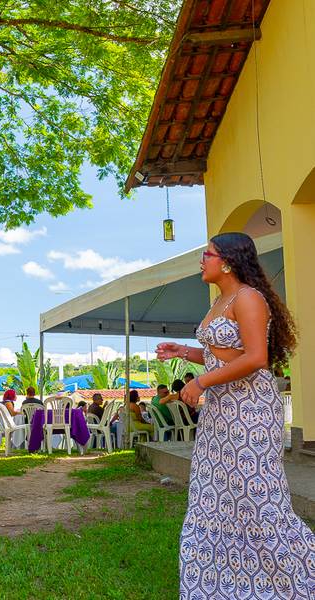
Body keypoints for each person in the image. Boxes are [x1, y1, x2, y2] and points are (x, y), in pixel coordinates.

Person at [157, 232, 313, 599]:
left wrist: (201, 383)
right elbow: (223, 354)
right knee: (216, 496)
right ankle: (226, 582)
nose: (202, 260)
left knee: (258, 498)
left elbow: (256, 357)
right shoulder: (219, 301)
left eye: (206, 254)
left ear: (226, 260)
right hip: (221, 414)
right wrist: (183, 351)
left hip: (251, 412)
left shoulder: (249, 298)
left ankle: (294, 577)